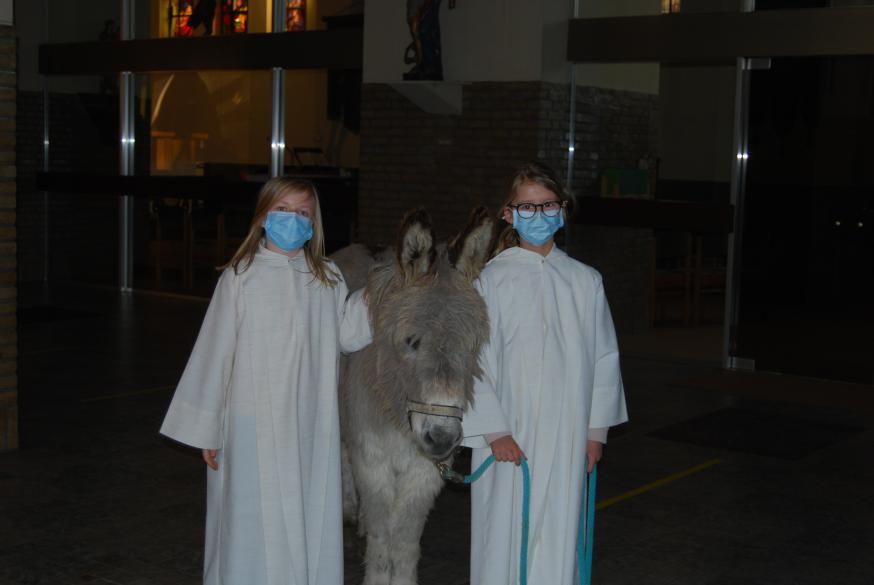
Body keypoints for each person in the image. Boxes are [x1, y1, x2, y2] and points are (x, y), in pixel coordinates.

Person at [160, 177, 371, 585]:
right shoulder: (241, 278)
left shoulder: (326, 279)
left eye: (303, 213)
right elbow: (214, 352)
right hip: (249, 425)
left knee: (308, 508)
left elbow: (347, 334)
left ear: (315, 223)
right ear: (262, 218)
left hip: (309, 424)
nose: (293, 220)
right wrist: (208, 428)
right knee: (251, 517)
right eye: (283, 211)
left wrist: (377, 295)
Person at [462, 162, 629, 585]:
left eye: (547, 205)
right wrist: (493, 430)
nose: (538, 215)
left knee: (559, 524)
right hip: (508, 434)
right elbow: (473, 361)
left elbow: (605, 358)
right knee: (503, 529)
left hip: (568, 432)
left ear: (563, 210)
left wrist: (596, 431)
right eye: (527, 207)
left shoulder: (585, 282)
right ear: (508, 214)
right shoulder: (489, 281)